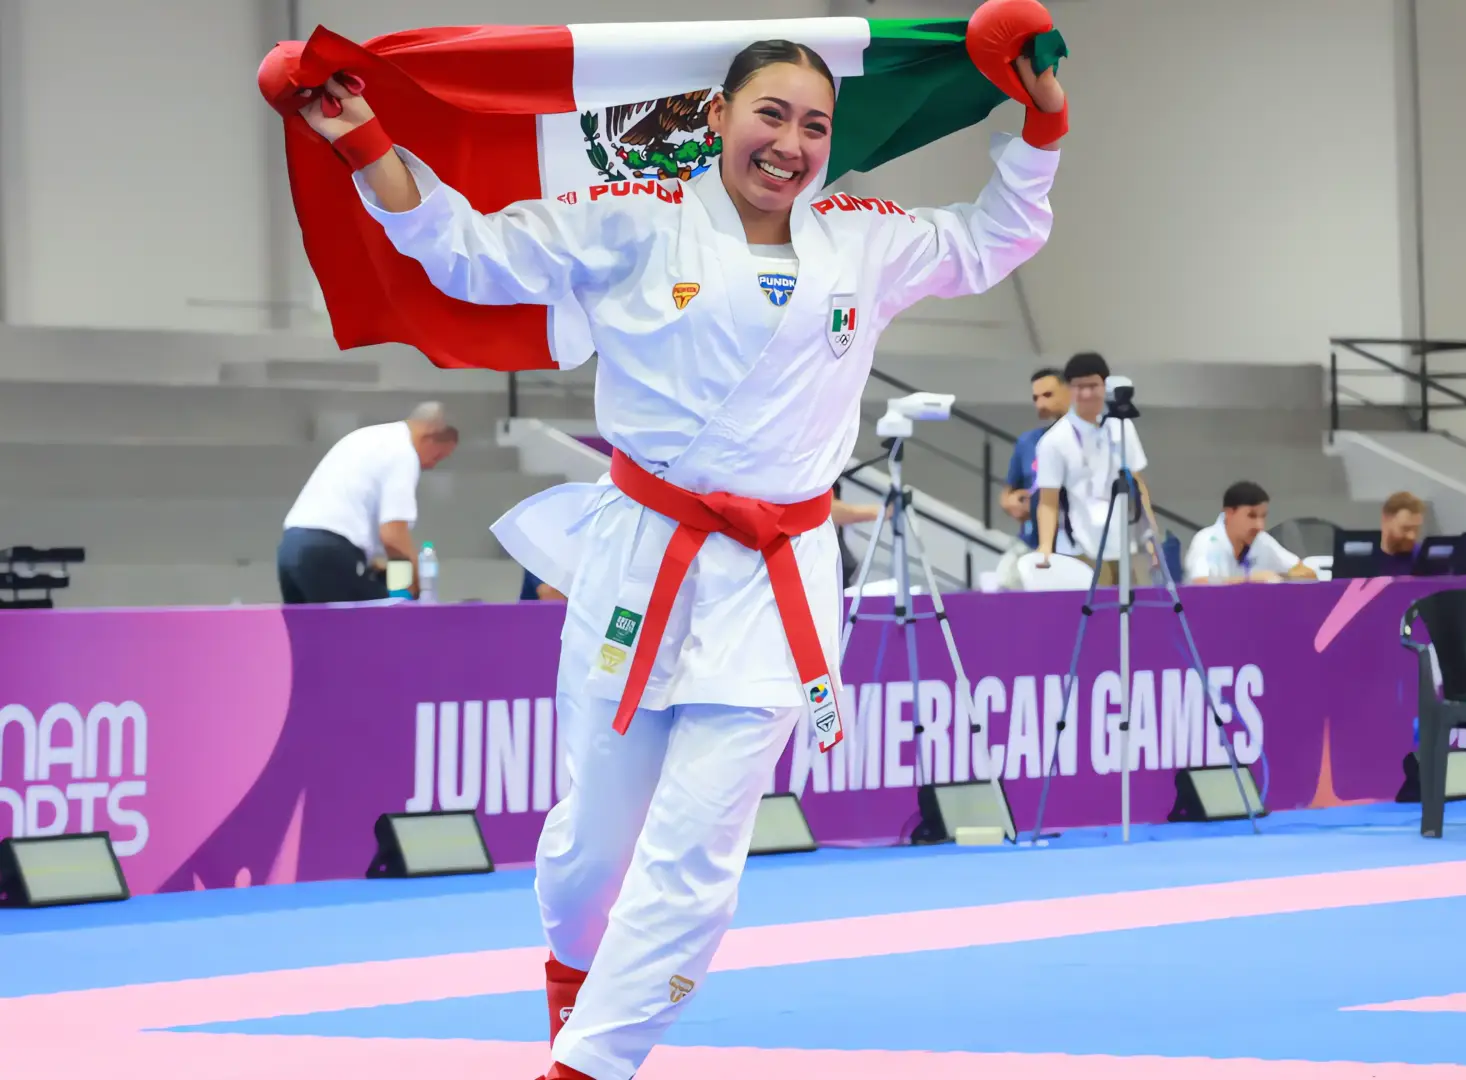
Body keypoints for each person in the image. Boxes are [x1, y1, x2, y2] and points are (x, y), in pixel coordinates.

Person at [298, 26, 1065, 1080]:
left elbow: (996, 238)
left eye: (814, 125)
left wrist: (1044, 123)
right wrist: (363, 137)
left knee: (694, 855)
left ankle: (590, 1064)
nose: (791, 143)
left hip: (776, 581)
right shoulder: (636, 220)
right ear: (716, 119)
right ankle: (571, 972)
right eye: (770, 115)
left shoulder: (861, 240)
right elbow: (469, 251)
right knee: (589, 855)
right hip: (639, 559)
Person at [276, 402, 458, 604]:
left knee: (310, 634)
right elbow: (393, 536)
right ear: (429, 436)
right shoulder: (404, 453)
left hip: (290, 549)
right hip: (327, 552)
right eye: (438, 456)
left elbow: (387, 544)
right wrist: (414, 588)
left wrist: (394, 582)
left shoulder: (369, 437)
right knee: (370, 630)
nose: (432, 466)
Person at [1033, 352, 1159, 585]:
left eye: (1093, 385)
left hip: (1124, 543)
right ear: (1069, 390)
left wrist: (1151, 535)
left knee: (1135, 614)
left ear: (1105, 386)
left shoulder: (1122, 426)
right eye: (1079, 387)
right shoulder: (1054, 441)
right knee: (1093, 616)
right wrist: (1044, 548)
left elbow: (1138, 484)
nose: (1087, 394)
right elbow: (1048, 501)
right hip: (1080, 546)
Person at [994, 366, 1067, 588]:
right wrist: (1011, 503)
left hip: (1074, 542)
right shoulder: (1028, 442)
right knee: (1004, 582)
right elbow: (1007, 492)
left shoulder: (1086, 439)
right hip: (1031, 541)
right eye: (1036, 398)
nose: (1041, 404)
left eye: (1048, 395)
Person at [1185, 481, 1317, 584]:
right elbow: (1200, 582)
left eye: (1263, 516)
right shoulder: (1206, 540)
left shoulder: (1262, 540)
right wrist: (1251, 580)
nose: (1260, 525)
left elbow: (1308, 574)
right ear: (1229, 513)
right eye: (1251, 516)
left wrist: (1279, 577)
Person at [1375, 491, 1425, 577]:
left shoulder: (1421, 559)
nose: (1411, 536)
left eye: (1416, 529)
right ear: (1386, 519)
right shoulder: (1365, 560)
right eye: (1405, 528)